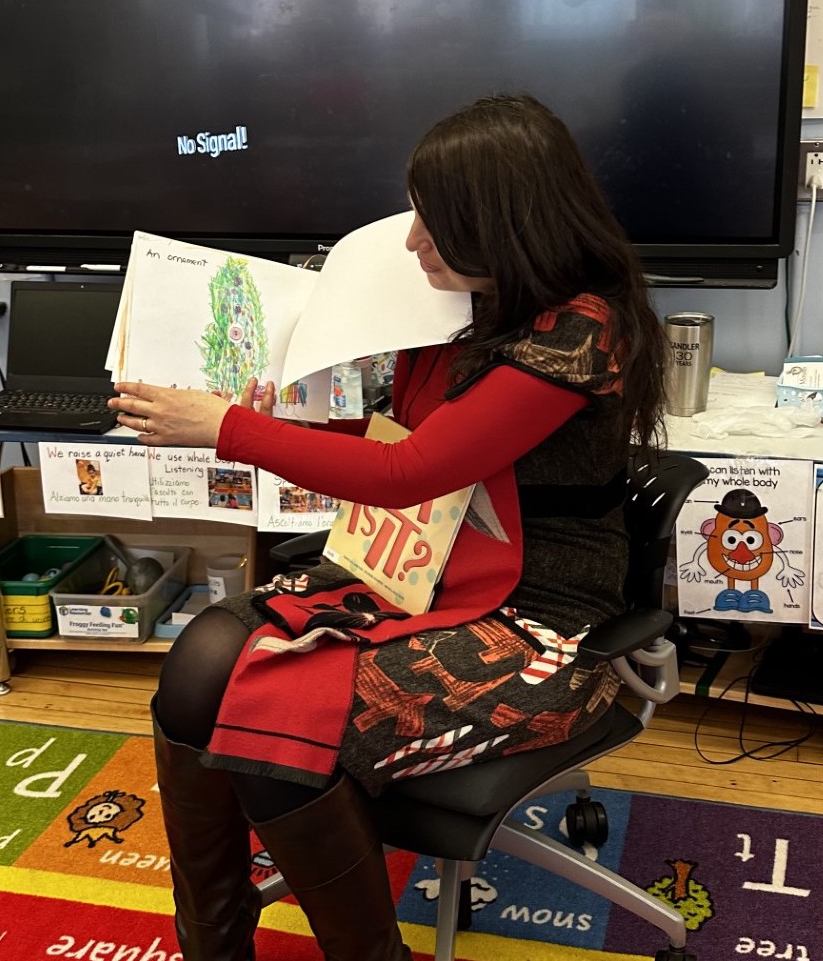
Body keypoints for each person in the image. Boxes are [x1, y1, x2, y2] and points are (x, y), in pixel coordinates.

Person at [110, 93, 667, 961]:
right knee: (199, 663)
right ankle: (214, 940)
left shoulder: (579, 333)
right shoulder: (469, 308)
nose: (412, 243)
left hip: (541, 621)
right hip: (427, 572)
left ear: (503, 223)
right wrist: (268, 420)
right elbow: (400, 441)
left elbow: (410, 474)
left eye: (435, 224)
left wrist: (225, 428)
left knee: (272, 720)